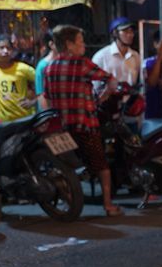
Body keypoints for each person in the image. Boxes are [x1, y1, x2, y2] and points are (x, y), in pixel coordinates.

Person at [43, 25, 123, 216]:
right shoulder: (82, 64)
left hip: (60, 128)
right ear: (69, 44)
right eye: (80, 41)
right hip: (84, 125)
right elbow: (111, 80)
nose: (83, 45)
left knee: (65, 166)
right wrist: (102, 97)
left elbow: (46, 96)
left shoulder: (49, 68)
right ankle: (108, 205)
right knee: (101, 165)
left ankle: (70, 203)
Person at [0, 36, 37, 122]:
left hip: (23, 120)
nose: (5, 51)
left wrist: (33, 101)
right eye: (1, 48)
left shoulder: (23, 68)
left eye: (8, 48)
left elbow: (45, 83)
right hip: (0, 123)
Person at [92, 17, 141, 87]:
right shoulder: (101, 56)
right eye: (126, 31)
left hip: (130, 97)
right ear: (115, 33)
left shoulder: (135, 56)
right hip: (108, 97)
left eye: (131, 31)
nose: (130, 35)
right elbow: (95, 86)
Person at [34, 29, 56, 111]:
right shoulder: (43, 65)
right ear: (51, 44)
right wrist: (46, 116)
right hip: (49, 112)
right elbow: (41, 94)